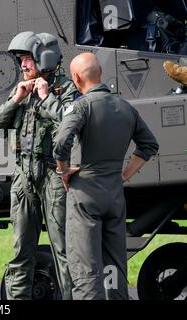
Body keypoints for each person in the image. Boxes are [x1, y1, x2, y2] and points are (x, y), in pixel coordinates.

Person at [53, 52, 159, 300]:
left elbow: (60, 143)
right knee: (114, 270)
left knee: (86, 273)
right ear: (100, 73)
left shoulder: (80, 106)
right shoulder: (125, 108)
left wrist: (64, 170)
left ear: (77, 78)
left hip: (85, 195)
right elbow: (149, 145)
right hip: (114, 194)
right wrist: (124, 175)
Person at [0, 31, 79, 300]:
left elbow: (69, 125)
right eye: (21, 61)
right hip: (23, 178)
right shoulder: (22, 90)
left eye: (27, 59)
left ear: (45, 59)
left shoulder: (66, 90)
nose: (22, 66)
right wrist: (16, 99)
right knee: (20, 251)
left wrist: (46, 97)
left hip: (53, 176)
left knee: (63, 250)